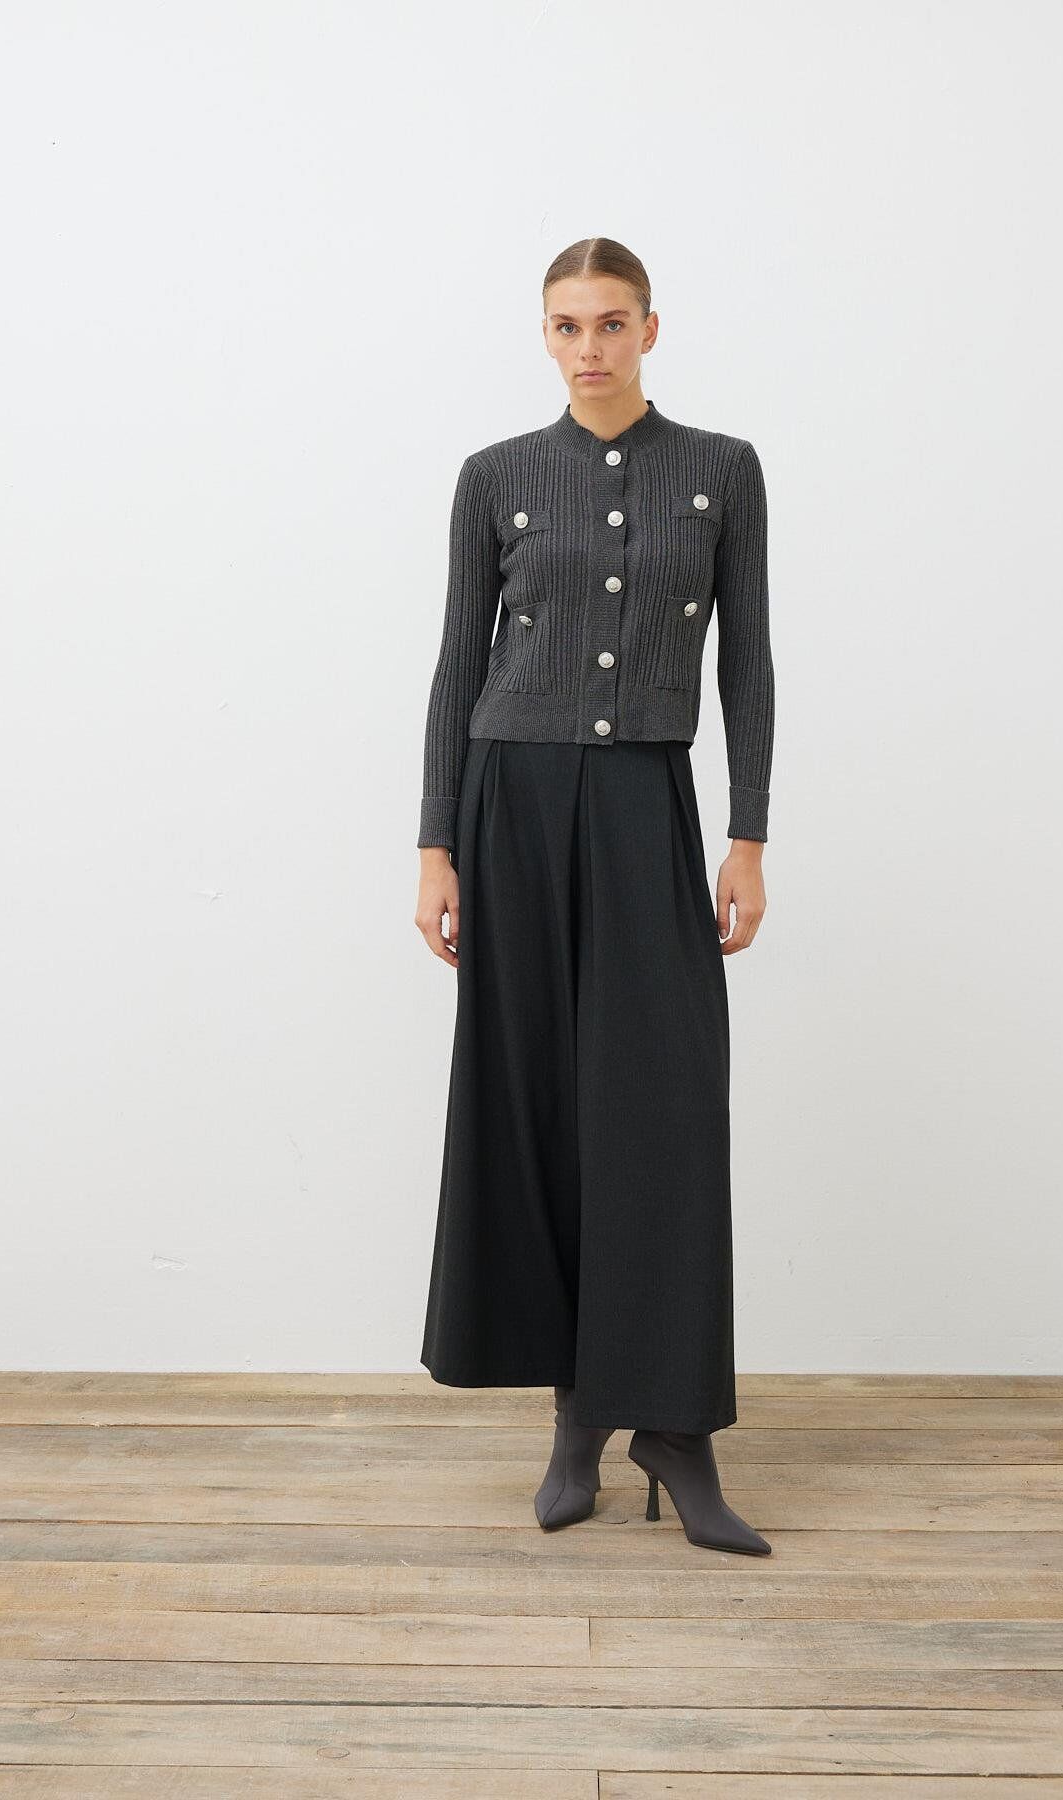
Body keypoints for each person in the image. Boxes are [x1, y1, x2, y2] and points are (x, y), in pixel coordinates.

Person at [413, 237, 774, 1557]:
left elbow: (749, 664)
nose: (588, 348)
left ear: (650, 330)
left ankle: (675, 1429)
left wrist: (746, 837)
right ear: (545, 334)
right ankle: (577, 1417)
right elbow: (457, 665)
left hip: (643, 804)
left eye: (611, 323)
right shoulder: (495, 477)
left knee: (663, 1110)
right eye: (567, 326)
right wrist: (435, 846)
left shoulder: (720, 469)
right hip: (508, 803)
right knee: (539, 1110)